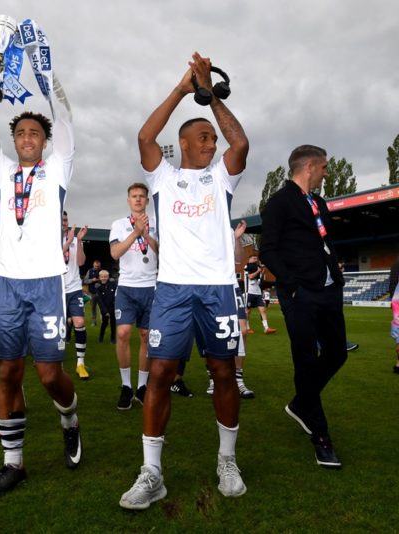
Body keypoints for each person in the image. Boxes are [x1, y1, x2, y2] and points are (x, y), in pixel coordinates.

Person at [119, 53, 250, 510]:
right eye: (203, 137)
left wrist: (209, 94)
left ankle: (227, 460)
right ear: (184, 143)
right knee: (159, 373)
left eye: (212, 137)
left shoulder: (221, 179)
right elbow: (144, 136)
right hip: (172, 290)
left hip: (216, 289)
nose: (212, 143)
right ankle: (152, 472)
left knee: (222, 371)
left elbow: (241, 143)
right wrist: (181, 89)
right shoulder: (163, 176)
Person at [0, 34, 81, 498]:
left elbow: (65, 113)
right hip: (7, 285)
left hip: (48, 283)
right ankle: (13, 464)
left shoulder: (58, 169)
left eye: (35, 133)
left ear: (46, 141)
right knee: (8, 373)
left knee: (49, 375)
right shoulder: (1, 170)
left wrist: (39, 63)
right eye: (20, 134)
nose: (27, 138)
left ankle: (69, 418)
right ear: (14, 141)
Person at [260, 144, 347, 469]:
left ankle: (301, 403)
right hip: (300, 294)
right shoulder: (280, 202)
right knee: (306, 361)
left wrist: (333, 274)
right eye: (324, 167)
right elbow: (268, 250)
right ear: (310, 166)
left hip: (328, 289)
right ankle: (321, 437)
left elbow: (324, 240)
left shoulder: (319, 202)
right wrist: (293, 285)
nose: (326, 173)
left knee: (337, 352)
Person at [110, 183, 159, 409]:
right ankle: (126, 386)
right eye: (134, 196)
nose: (138, 199)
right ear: (128, 200)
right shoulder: (119, 225)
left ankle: (141, 386)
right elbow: (115, 253)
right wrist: (136, 232)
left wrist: (147, 235)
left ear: (147, 201)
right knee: (122, 333)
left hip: (151, 286)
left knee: (146, 336)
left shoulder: (158, 222)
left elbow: (164, 252)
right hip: (127, 287)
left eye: (142, 196)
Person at [207, 221, 255, 399]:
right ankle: (213, 377)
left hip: (230, 286)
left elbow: (238, 258)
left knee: (242, 331)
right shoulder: (198, 225)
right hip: (208, 286)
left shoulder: (226, 229)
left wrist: (236, 239)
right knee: (213, 332)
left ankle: (238, 379)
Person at [62, 211, 90, 379]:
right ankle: (53, 362)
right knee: (57, 326)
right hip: (55, 289)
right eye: (61, 219)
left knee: (79, 321)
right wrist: (68, 242)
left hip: (73, 288)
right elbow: (51, 258)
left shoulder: (74, 239)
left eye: (66, 219)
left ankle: (80, 363)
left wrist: (78, 241)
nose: (64, 222)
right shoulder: (49, 236)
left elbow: (80, 262)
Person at [244, 254, 277, 334]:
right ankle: (247, 328)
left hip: (258, 292)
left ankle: (266, 328)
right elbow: (251, 276)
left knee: (263, 310)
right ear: (249, 259)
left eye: (256, 258)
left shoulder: (257, 267)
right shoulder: (246, 267)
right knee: (248, 311)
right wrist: (258, 271)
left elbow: (258, 280)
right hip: (249, 292)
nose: (255, 259)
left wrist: (262, 272)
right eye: (254, 258)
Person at [95, 270, 117, 344]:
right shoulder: (98, 287)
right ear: (99, 277)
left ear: (108, 277)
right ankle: (101, 337)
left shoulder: (112, 284)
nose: (104, 278)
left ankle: (113, 338)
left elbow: (116, 293)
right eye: (102, 277)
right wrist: (105, 311)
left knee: (113, 323)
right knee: (105, 323)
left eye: (105, 277)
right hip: (104, 308)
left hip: (113, 307)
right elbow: (100, 301)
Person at [84, 260, 102, 327]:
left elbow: (106, 280)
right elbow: (85, 281)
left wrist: (100, 280)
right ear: (93, 265)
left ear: (100, 265)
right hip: (92, 293)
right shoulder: (90, 271)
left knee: (102, 308)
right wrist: (92, 280)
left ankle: (103, 321)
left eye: (98, 266)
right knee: (93, 308)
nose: (97, 267)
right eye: (95, 266)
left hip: (101, 293)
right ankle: (94, 322)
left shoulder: (102, 271)